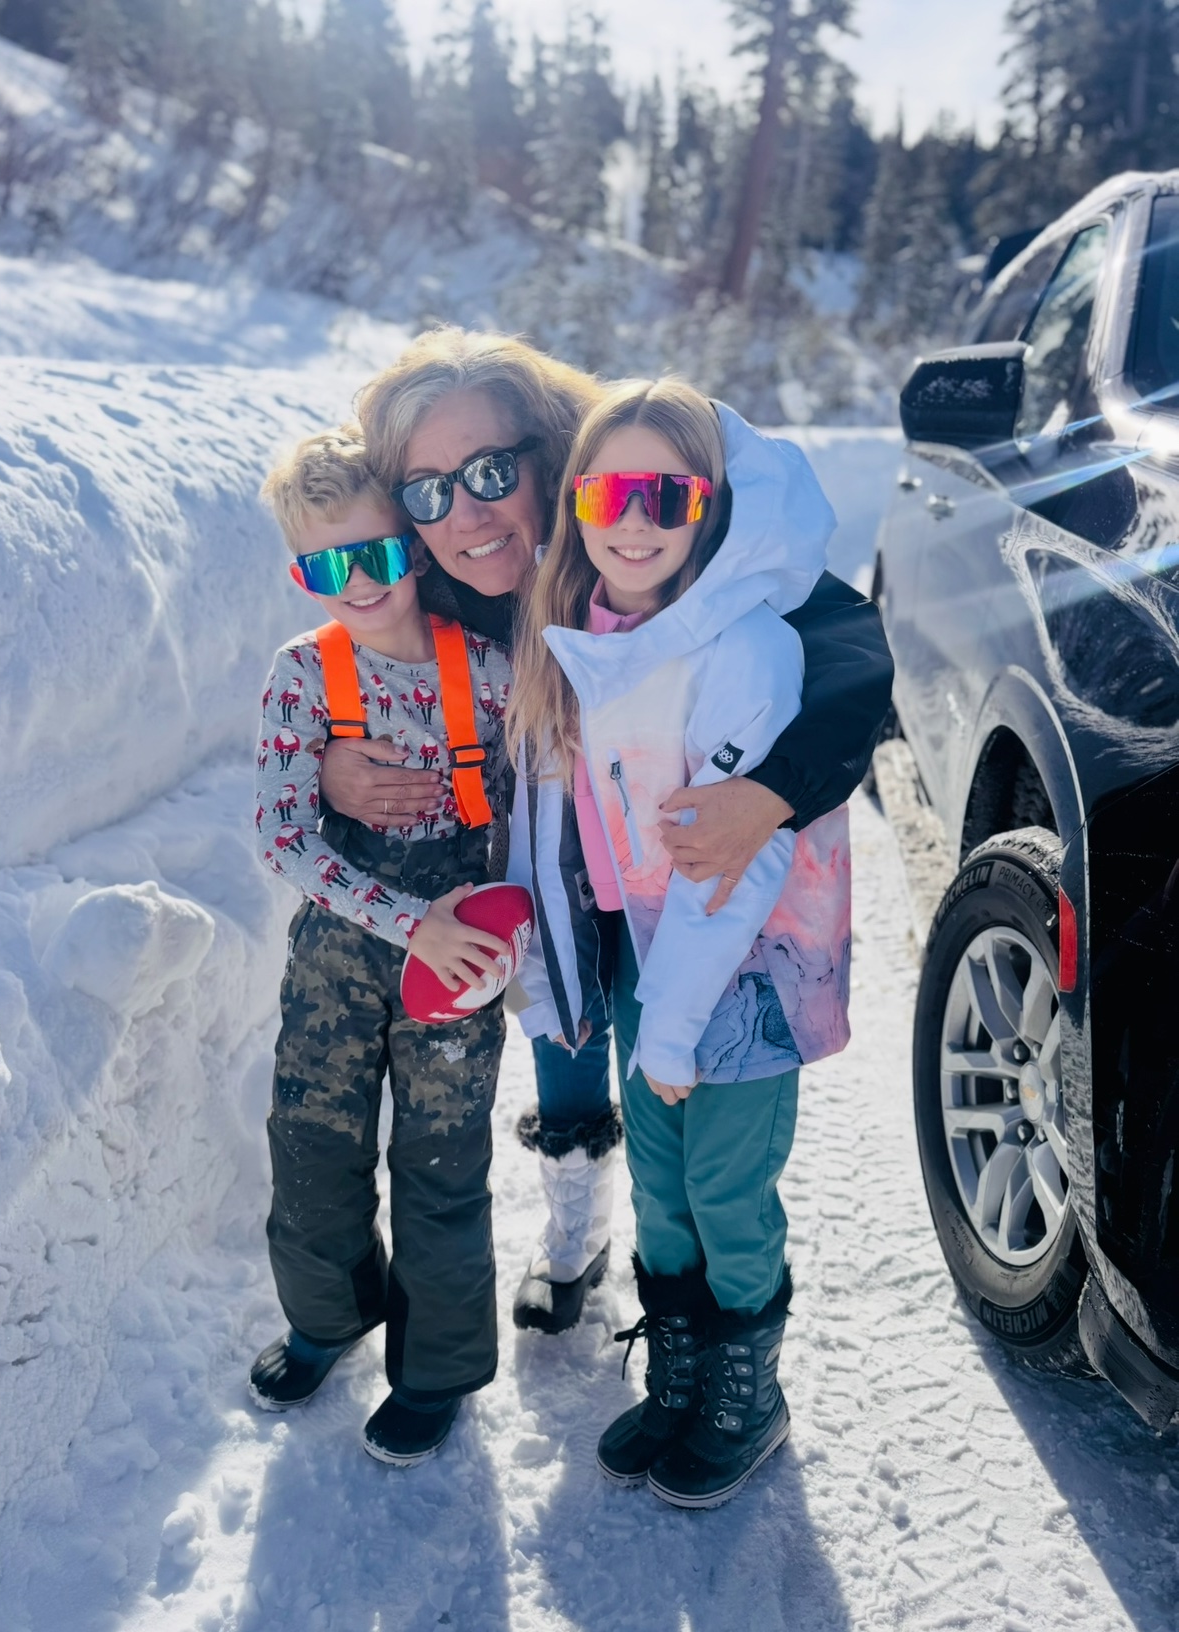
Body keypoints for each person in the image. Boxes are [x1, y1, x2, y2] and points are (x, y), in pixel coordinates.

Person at [318, 327, 892, 1337]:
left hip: (677, 862)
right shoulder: (435, 579)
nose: (467, 512)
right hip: (561, 872)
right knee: (567, 1042)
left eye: (492, 472)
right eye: (430, 490)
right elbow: (345, 663)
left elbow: (846, 652)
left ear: (552, 456)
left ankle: (711, 1323)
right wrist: (329, 763)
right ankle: (574, 1239)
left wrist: (773, 791)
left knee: (680, 1101)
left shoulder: (640, 519)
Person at [506, 378, 851, 1510]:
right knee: (660, 1182)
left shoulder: (743, 648)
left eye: (666, 494)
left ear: (709, 507)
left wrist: (676, 1022)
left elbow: (736, 862)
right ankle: (684, 1373)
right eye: (609, 492)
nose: (635, 520)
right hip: (652, 958)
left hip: (742, 973)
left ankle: (749, 1395)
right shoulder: (587, 637)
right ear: (577, 503)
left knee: (725, 1188)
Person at [250, 424, 514, 1467]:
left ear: (413, 541)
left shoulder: (488, 669)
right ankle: (328, 1314)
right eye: (326, 567)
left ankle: (436, 1369)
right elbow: (282, 834)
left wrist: (492, 926)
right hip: (338, 953)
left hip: (459, 958)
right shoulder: (303, 675)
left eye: (374, 553)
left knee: (443, 1160)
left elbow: (537, 803)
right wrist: (411, 922)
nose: (356, 583)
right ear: (300, 573)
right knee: (311, 1141)